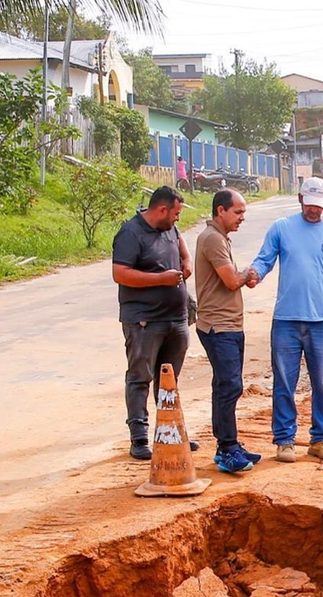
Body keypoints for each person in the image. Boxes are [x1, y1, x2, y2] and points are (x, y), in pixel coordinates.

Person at [247, 176, 323, 463]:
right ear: (300, 199)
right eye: (310, 205)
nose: (315, 211)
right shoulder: (282, 228)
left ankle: (321, 438)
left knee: (322, 383)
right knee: (284, 383)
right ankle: (285, 440)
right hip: (286, 320)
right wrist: (255, 273)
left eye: (320, 206)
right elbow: (265, 259)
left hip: (322, 321)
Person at [112, 186, 197, 460]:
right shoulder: (131, 233)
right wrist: (160, 279)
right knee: (141, 377)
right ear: (162, 210)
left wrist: (186, 264)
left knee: (169, 380)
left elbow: (184, 252)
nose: (177, 219)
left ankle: (169, 432)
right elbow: (120, 274)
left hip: (175, 318)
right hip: (144, 321)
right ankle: (139, 438)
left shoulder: (170, 229)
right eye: (176, 213)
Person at [194, 188, 262, 474]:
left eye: (244, 212)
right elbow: (232, 280)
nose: (242, 218)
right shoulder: (212, 239)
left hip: (228, 325)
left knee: (226, 386)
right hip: (218, 326)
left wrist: (243, 276)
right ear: (220, 211)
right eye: (238, 212)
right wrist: (248, 274)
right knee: (229, 386)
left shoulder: (219, 238)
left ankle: (227, 447)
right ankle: (227, 447)